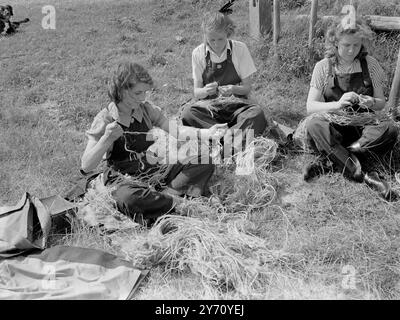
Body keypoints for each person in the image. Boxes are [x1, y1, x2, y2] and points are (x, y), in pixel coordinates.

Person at [81, 61, 227, 225]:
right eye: (138, 93)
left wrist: (208, 132)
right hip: (122, 179)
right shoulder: (105, 119)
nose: (143, 98)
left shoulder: (145, 109)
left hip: (151, 170)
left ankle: (166, 198)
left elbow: (176, 131)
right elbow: (86, 166)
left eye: (145, 92)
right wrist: (106, 139)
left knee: (203, 159)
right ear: (121, 91)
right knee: (129, 198)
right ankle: (178, 202)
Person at [299, 18, 398, 200]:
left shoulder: (371, 64)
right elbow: (310, 106)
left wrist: (371, 102)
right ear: (335, 42)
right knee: (314, 125)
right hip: (334, 128)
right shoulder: (323, 67)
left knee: (390, 128)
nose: (351, 50)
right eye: (346, 45)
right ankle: (364, 174)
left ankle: (334, 160)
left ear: (362, 43)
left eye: (356, 45)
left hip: (363, 130)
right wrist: (337, 104)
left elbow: (381, 102)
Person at [180, 12, 285, 158]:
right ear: (205, 36)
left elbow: (247, 87)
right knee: (188, 113)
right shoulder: (197, 53)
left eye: (220, 39)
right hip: (209, 108)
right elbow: (196, 92)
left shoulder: (240, 49)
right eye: (211, 40)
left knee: (256, 114)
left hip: (238, 106)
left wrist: (234, 89)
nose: (216, 44)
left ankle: (218, 144)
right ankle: (233, 142)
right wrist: (205, 91)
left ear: (228, 33)